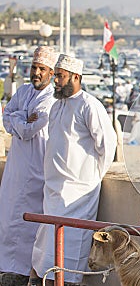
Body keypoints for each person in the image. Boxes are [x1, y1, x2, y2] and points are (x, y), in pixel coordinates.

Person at [29, 54, 117, 285]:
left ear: (76, 77)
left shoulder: (90, 105)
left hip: (78, 194)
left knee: (70, 247)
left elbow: (107, 145)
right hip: (54, 190)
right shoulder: (57, 105)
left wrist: (91, 177)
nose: (55, 80)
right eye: (56, 75)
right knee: (46, 248)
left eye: (60, 76)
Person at [0, 46, 58, 286]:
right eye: (34, 68)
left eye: (41, 69)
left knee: (29, 224)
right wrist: (20, 116)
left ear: (52, 73)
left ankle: (24, 271)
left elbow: (27, 129)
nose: (36, 73)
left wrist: (19, 118)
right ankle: (6, 268)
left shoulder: (51, 98)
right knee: (8, 217)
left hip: (36, 170)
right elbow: (7, 117)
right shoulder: (23, 91)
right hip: (15, 168)